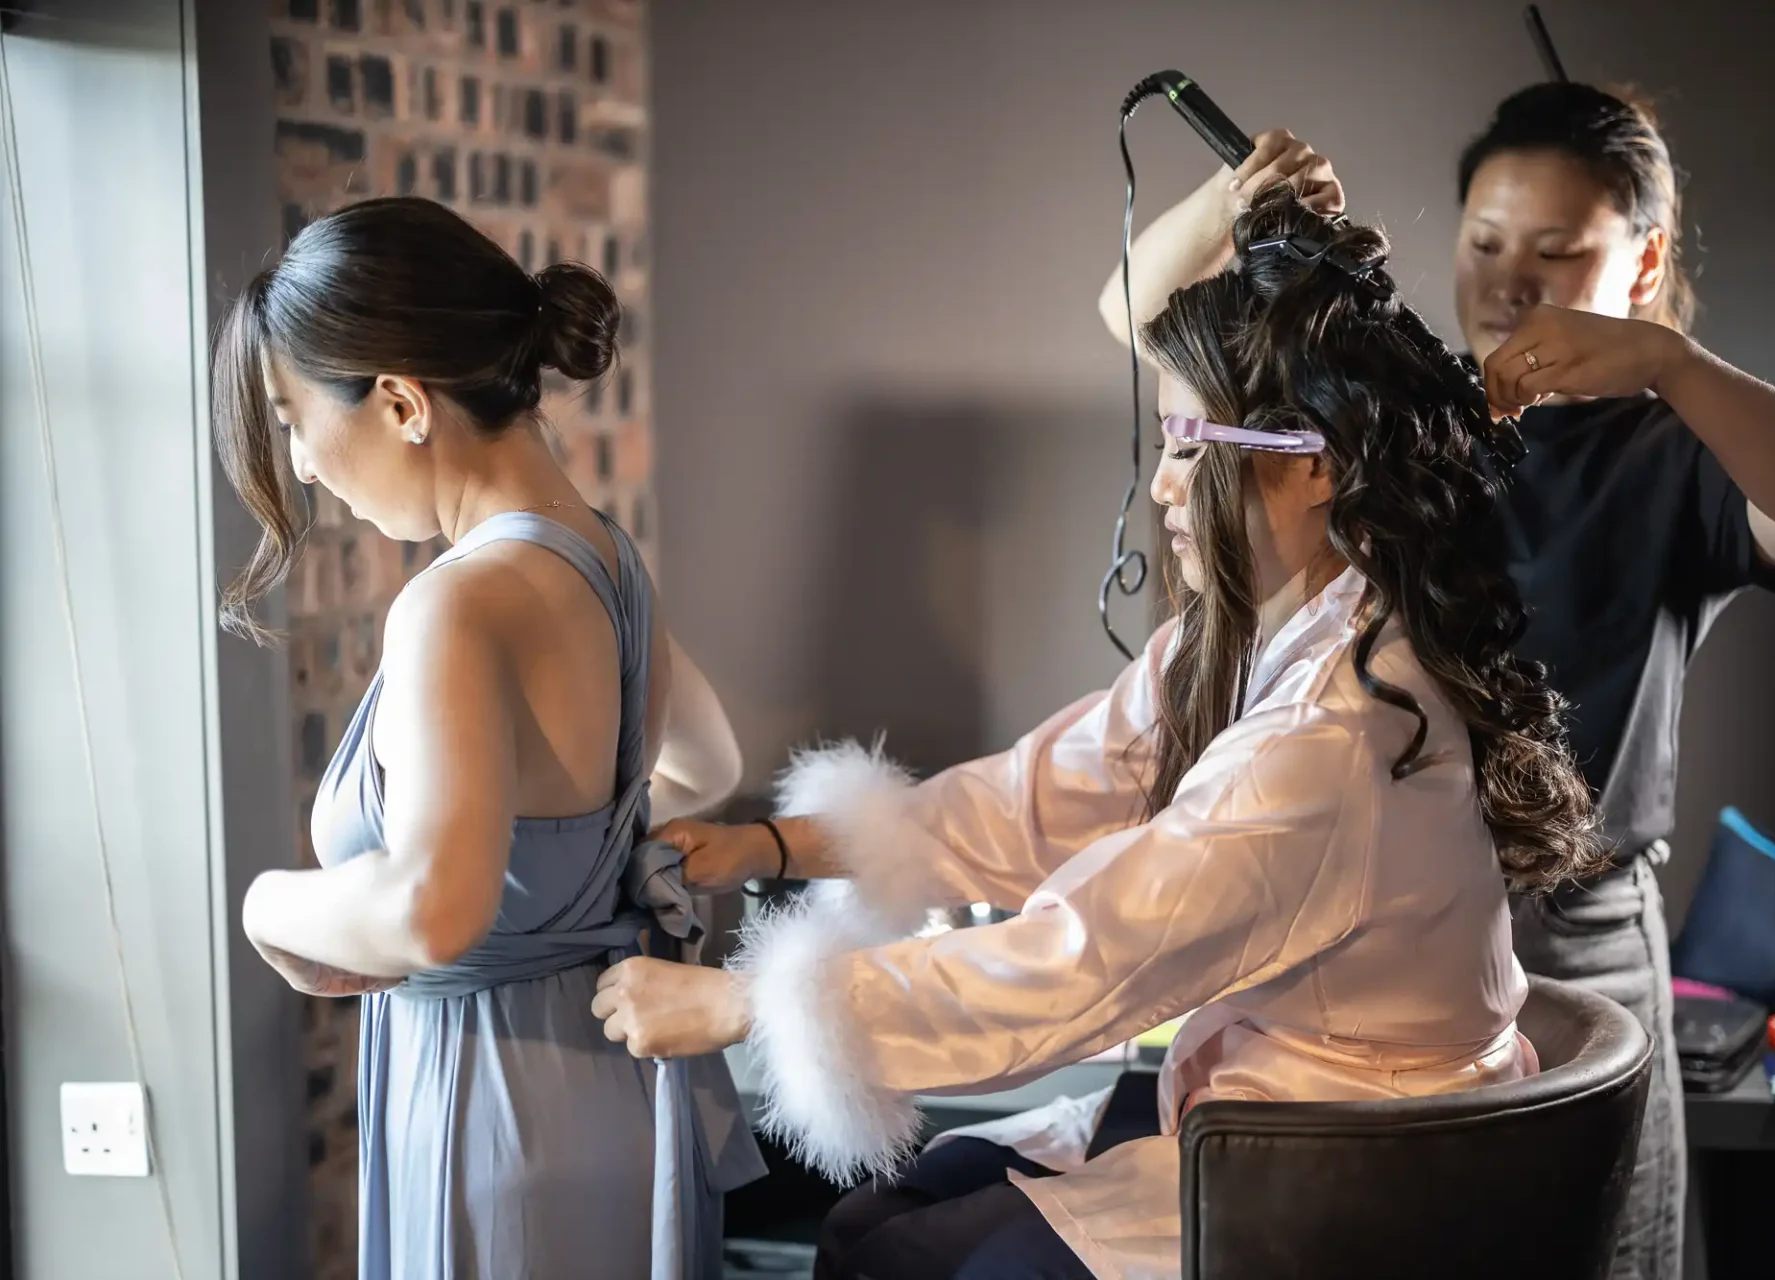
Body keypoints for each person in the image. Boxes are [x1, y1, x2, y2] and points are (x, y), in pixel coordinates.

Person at [588, 186, 1606, 1280]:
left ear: (1315, 464)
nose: (1163, 485)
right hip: (1267, 1111)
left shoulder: (1333, 739)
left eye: (1187, 442)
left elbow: (1084, 960)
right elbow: (1040, 795)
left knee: (894, 1258)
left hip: (1346, 1173)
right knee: (870, 1221)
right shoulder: (1262, 638)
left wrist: (748, 1001)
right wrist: (778, 846)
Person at [1095, 82, 1775, 1280]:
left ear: (1645, 259)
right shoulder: (1403, 413)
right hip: (1367, 929)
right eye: (1484, 242)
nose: (1513, 282)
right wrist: (1230, 198)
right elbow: (1131, 314)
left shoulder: (1675, 451)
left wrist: (1670, 364)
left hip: (1583, 933)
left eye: (1560, 253)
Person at [212, 196, 765, 1280]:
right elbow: (709, 762)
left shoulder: (457, 604)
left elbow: (433, 904)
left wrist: (263, 906)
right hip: (615, 1096)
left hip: (494, 1113)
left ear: (403, 402)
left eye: (291, 417)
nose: (305, 464)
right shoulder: (607, 559)